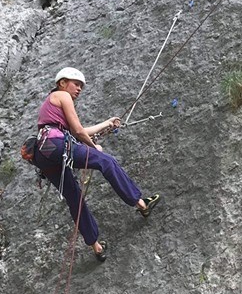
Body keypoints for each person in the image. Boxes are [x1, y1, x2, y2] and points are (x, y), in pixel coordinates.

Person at [31, 67, 160, 261]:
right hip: (57, 144)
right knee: (106, 161)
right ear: (62, 83)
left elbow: (80, 130)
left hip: (45, 153)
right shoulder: (62, 95)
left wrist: (107, 123)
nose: (79, 89)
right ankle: (141, 203)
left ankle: (96, 247)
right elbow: (78, 132)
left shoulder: (51, 106)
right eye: (76, 84)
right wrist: (93, 147)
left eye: (81, 86)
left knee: (74, 197)